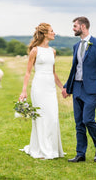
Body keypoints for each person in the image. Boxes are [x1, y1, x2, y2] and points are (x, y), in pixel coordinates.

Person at [62, 16, 96, 163]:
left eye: (75, 26)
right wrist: (67, 87)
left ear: (83, 27)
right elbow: (74, 69)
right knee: (78, 122)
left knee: (88, 119)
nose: (73, 29)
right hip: (77, 87)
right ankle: (80, 154)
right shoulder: (76, 46)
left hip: (92, 89)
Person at [19, 23, 65, 159]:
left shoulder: (53, 51)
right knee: (41, 118)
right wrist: (24, 91)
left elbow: (54, 73)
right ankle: (41, 150)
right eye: (52, 31)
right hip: (39, 88)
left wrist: (62, 88)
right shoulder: (35, 50)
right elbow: (28, 73)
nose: (54, 33)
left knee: (53, 118)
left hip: (50, 88)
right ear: (45, 34)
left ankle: (52, 148)